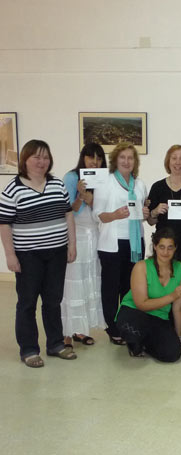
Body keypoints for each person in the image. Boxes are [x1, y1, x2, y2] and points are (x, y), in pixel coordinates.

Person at [0, 140, 77, 367]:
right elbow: (4, 225)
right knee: (27, 303)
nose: (42, 162)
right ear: (25, 159)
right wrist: (10, 255)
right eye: (36, 157)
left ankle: (55, 344)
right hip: (28, 255)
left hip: (56, 253)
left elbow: (68, 215)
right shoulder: (12, 189)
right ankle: (29, 350)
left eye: (45, 157)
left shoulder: (57, 185)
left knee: (53, 301)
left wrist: (72, 245)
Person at [93, 142, 149, 345]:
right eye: (122, 157)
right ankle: (112, 327)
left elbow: (141, 214)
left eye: (130, 158)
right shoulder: (105, 183)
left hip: (135, 243)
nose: (126, 161)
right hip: (112, 245)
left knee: (130, 287)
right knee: (111, 288)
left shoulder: (140, 184)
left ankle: (126, 323)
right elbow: (97, 215)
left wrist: (145, 214)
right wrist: (115, 215)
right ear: (115, 160)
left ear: (135, 162)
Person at [60, 143, 107, 349]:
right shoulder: (71, 177)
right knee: (72, 283)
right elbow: (68, 209)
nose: (94, 162)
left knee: (90, 281)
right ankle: (65, 334)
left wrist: (91, 199)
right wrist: (80, 195)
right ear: (83, 158)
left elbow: (102, 209)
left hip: (95, 235)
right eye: (90, 157)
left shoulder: (103, 179)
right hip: (76, 234)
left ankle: (81, 330)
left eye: (98, 158)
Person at [115, 228, 181, 362]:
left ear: (175, 248)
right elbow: (141, 304)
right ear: (154, 246)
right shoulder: (141, 267)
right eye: (162, 247)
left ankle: (145, 343)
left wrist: (180, 337)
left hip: (159, 317)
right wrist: (171, 296)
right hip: (134, 312)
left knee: (173, 354)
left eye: (170, 247)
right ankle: (135, 343)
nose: (165, 252)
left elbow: (178, 308)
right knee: (131, 326)